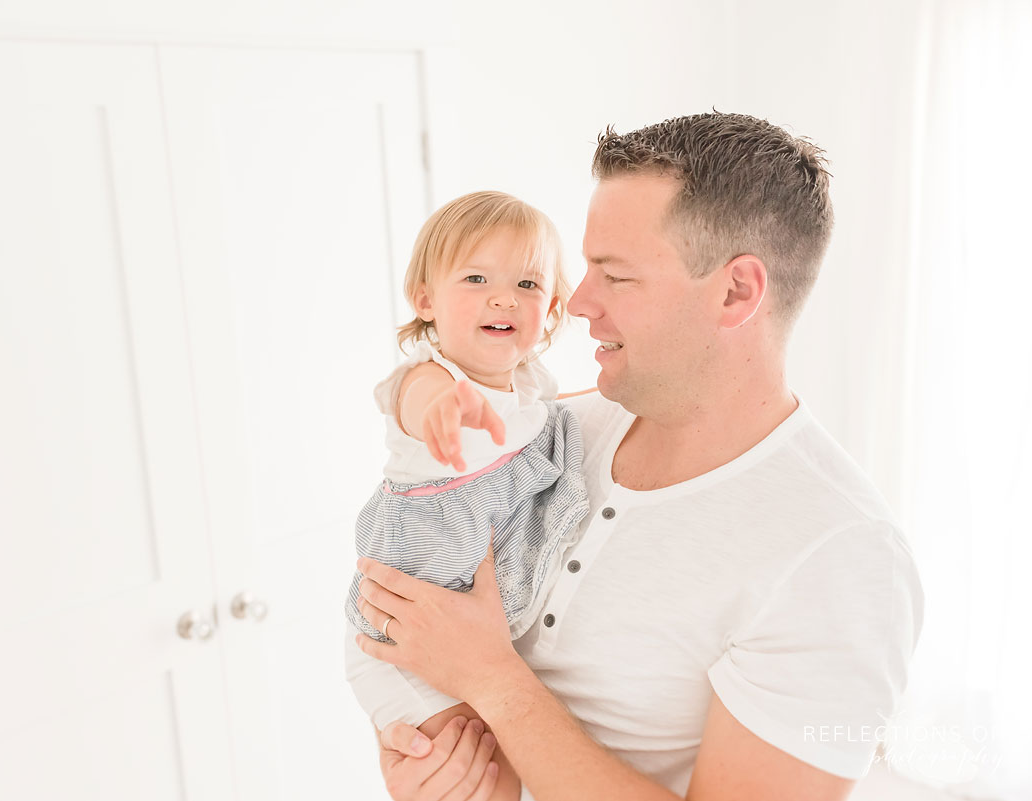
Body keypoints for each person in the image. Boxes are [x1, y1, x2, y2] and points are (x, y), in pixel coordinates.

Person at [351, 112, 925, 801]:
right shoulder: (555, 432)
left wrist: (492, 681)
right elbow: (421, 616)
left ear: (736, 291)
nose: (578, 302)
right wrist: (427, 755)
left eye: (614, 275)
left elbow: (479, 665)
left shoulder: (841, 556)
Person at [342, 190, 590, 800]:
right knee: (484, 778)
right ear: (426, 299)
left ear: (552, 308)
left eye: (528, 284)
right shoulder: (430, 379)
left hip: (460, 642)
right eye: (476, 278)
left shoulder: (533, 393)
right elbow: (414, 401)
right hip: (401, 644)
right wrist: (444, 409)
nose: (504, 297)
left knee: (506, 771)